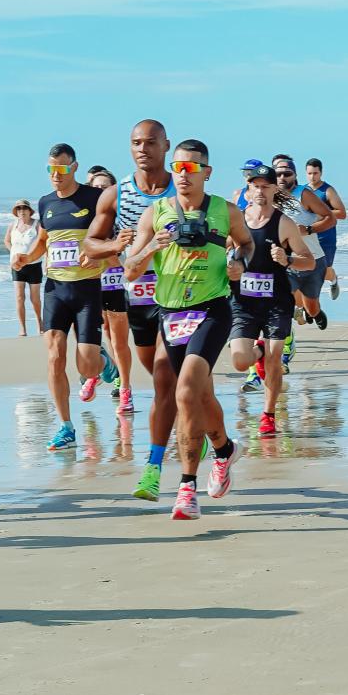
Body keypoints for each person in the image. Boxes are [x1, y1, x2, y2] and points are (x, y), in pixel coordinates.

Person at [123, 139, 255, 520]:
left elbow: (246, 245)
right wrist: (151, 248)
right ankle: (226, 450)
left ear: (206, 172)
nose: (183, 174)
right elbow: (130, 269)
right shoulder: (156, 213)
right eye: (178, 167)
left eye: (191, 168)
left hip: (212, 309)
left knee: (184, 392)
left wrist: (238, 263)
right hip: (170, 315)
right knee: (199, 397)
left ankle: (185, 489)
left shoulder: (225, 211)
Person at [83, 119, 177, 500]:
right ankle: (207, 437)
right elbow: (89, 244)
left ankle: (154, 464)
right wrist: (114, 246)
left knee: (163, 377)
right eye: (136, 143)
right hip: (136, 294)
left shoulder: (181, 188)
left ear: (165, 146)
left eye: (150, 142)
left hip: (178, 295)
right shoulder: (116, 195)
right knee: (151, 367)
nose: (143, 149)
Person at [11, 143, 105, 451]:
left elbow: (112, 238)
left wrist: (98, 257)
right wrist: (27, 258)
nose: (56, 175)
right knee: (54, 357)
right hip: (55, 288)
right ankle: (65, 426)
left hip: (87, 289)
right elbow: (43, 241)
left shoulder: (94, 199)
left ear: (74, 167)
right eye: (51, 169)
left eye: (62, 169)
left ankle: (103, 363)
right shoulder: (46, 203)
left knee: (87, 366)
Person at [228, 164, 314, 436]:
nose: (261, 191)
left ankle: (268, 413)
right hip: (243, 302)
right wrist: (228, 267)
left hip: (276, 302)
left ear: (275, 189)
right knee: (241, 361)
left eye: (266, 186)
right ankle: (260, 352)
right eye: (256, 186)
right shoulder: (237, 221)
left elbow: (309, 262)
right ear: (248, 189)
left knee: (276, 359)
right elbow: (222, 251)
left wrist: (287, 259)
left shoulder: (284, 223)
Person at [271, 155, 337, 331]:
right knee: (284, 299)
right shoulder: (268, 197)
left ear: (294, 175)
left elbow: (330, 218)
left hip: (313, 260)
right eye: (278, 174)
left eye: (287, 173)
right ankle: (284, 340)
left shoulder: (304, 194)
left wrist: (308, 230)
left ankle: (316, 313)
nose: (282, 178)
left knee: (312, 305)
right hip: (285, 262)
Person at [85, 168, 129, 409]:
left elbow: (120, 258)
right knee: (91, 335)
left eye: (104, 187)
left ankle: (122, 385)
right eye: (95, 187)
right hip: (90, 284)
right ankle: (100, 371)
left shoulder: (117, 218)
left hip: (115, 283)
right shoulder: (83, 219)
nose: (99, 191)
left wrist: (100, 255)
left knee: (115, 337)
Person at [303, 158, 347, 300]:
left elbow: (341, 213)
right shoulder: (302, 191)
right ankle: (306, 305)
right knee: (305, 271)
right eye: (309, 173)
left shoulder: (328, 191)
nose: (312, 177)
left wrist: (319, 211)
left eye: (315, 173)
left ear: (321, 173)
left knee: (323, 272)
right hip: (307, 237)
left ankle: (333, 280)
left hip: (325, 238)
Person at [5, 199, 43, 336]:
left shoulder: (37, 225)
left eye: (24, 208)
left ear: (29, 210)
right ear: (16, 212)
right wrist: (13, 252)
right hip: (17, 266)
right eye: (19, 209)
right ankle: (22, 328)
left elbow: (41, 242)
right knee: (19, 297)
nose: (22, 211)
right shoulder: (12, 225)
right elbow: (7, 240)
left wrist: (30, 255)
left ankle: (40, 324)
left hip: (34, 265)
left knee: (35, 298)